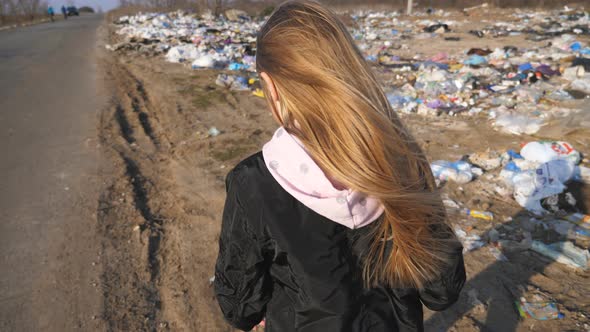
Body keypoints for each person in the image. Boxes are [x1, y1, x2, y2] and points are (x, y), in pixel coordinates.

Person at [213, 1, 466, 331]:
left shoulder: (254, 183)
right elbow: (441, 291)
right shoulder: (402, 159)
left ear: (271, 87)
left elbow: (240, 306)